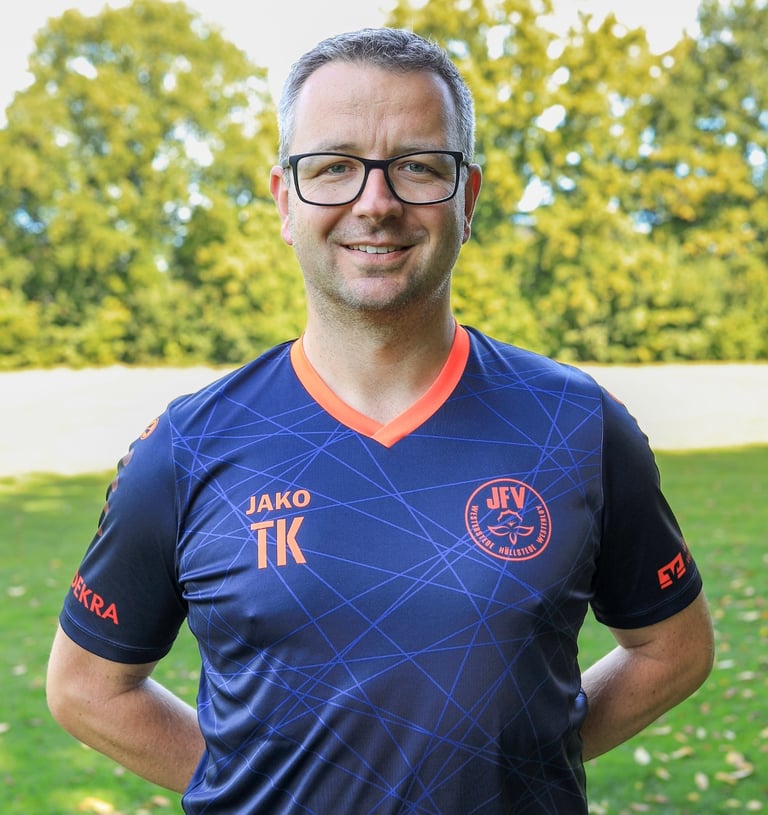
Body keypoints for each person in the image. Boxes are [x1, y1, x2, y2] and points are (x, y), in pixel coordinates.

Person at [46, 27, 714, 814]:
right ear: (285, 199)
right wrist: (257, 783)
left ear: (467, 198)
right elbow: (87, 685)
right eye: (333, 166)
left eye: (418, 166)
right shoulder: (187, 446)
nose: (376, 203)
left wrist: (530, 753)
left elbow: (674, 648)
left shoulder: (577, 422)